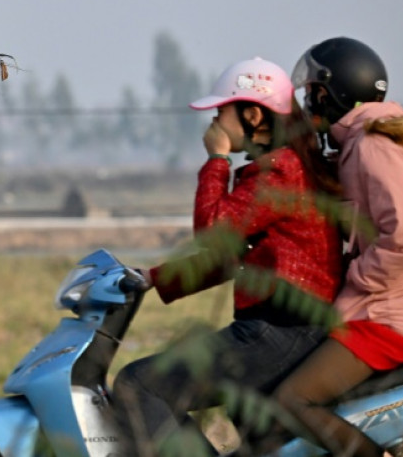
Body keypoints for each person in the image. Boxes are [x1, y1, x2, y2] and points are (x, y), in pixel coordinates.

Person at [112, 57, 344, 456]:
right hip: (285, 329)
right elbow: (233, 255)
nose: (215, 123)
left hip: (280, 332)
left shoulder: (280, 171)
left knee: (140, 387)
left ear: (253, 115)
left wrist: (216, 159)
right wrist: (152, 278)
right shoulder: (286, 165)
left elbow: (213, 233)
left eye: (221, 112)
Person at [268, 37, 403, 457]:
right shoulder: (367, 141)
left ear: (337, 93)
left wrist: (360, 277)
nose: (310, 100)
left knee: (293, 400)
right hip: (391, 306)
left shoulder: (372, 146)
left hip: (389, 315)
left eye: (314, 92)